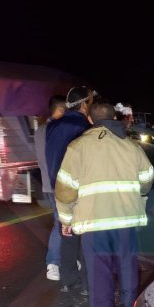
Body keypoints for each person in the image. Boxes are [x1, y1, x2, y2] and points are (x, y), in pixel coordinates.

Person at [55, 102, 154, 307]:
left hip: (95, 222)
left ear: (90, 120)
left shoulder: (78, 147)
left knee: (99, 273)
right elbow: (147, 177)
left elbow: (65, 189)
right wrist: (137, 193)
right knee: (128, 269)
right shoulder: (130, 146)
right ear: (114, 118)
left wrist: (66, 219)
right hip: (126, 220)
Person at [46, 86, 94, 294]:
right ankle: (86, 284)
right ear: (84, 104)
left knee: (67, 232)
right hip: (79, 187)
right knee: (85, 236)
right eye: (90, 102)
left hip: (59, 186)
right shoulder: (82, 126)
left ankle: (67, 279)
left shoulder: (54, 125)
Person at [36, 95, 66, 281]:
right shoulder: (55, 131)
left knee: (63, 223)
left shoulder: (40, 130)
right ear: (61, 109)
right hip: (59, 186)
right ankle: (53, 262)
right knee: (61, 223)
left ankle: (66, 259)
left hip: (48, 185)